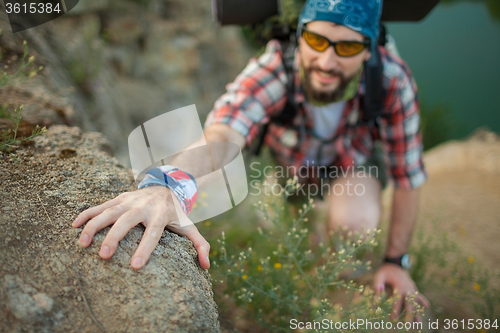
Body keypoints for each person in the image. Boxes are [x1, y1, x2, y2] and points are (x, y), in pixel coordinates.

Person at [72, 0, 429, 320]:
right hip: (291, 167)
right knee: (287, 226)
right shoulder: (274, 66)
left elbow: (407, 175)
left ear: (370, 49)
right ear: (301, 34)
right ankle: (312, 252)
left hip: (352, 167)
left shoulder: (392, 81)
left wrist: (396, 262)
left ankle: (333, 284)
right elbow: (224, 134)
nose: (327, 61)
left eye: (348, 46)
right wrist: (167, 187)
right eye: (317, 41)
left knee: (355, 223)